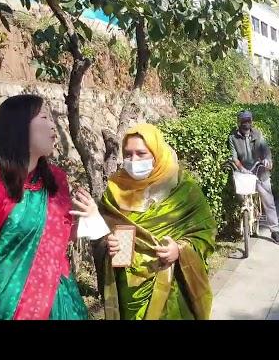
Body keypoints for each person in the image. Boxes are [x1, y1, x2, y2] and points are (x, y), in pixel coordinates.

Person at [0, 94, 88, 320]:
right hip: (12, 306)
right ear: (19, 127)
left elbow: (63, 238)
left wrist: (91, 219)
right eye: (44, 117)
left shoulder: (56, 180)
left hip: (62, 302)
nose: (53, 125)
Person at [77, 123, 216, 320]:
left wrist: (180, 249)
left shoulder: (184, 190)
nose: (133, 160)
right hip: (127, 288)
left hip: (171, 285)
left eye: (141, 153)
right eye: (128, 154)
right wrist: (108, 243)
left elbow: (206, 233)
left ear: (156, 153)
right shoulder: (115, 189)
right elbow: (102, 234)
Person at [227, 110, 279, 245]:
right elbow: (234, 157)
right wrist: (241, 168)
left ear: (251, 121)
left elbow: (265, 149)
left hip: (259, 170)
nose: (246, 124)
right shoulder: (233, 138)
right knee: (240, 196)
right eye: (243, 121)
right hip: (244, 172)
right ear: (239, 122)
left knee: (268, 200)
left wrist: (266, 160)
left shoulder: (257, 134)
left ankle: (275, 231)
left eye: (248, 121)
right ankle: (244, 221)